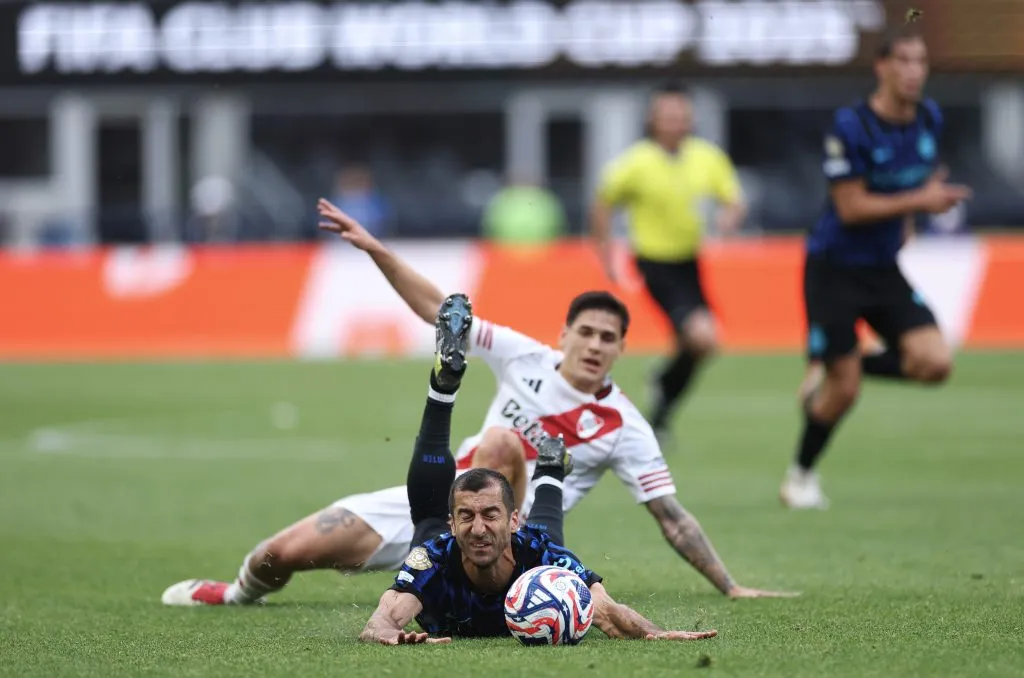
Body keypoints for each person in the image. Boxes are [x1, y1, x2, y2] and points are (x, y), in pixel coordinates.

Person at [160, 199, 794, 609]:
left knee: (496, 448)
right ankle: (238, 595)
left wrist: (730, 585)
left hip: (511, 540)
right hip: (437, 505)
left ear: (623, 349)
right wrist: (379, 251)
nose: (596, 346)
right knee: (281, 554)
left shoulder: (625, 425)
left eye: (609, 339)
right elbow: (444, 316)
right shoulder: (523, 356)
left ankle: (480, 591)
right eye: (587, 334)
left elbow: (671, 517)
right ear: (563, 337)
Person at [359, 293, 717, 644]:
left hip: (530, 550)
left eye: (491, 516)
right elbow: (381, 621)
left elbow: (610, 612)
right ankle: (443, 391)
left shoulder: (545, 558)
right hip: (448, 543)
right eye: (466, 517)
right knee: (427, 519)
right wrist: (391, 636)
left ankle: (548, 473)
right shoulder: (431, 560)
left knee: (545, 545)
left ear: (515, 518)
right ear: (453, 525)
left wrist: (656, 633)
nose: (479, 529)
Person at [780, 26, 972, 510]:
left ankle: (840, 365)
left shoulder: (929, 117)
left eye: (921, 61)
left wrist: (915, 210)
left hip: (883, 268)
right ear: (882, 67)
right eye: (903, 61)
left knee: (935, 363)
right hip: (834, 267)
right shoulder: (852, 126)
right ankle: (799, 477)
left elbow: (919, 177)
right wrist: (920, 201)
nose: (913, 71)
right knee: (845, 394)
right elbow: (850, 207)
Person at [590, 80, 747, 447]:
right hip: (654, 263)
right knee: (703, 338)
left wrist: (729, 217)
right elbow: (603, 202)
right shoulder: (636, 162)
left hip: (690, 262)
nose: (675, 123)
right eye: (667, 116)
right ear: (653, 119)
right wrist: (606, 253)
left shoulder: (706, 157)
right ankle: (661, 396)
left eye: (681, 116)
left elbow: (733, 199)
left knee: (700, 346)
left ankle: (660, 409)